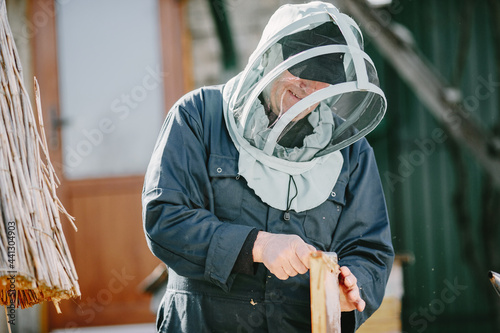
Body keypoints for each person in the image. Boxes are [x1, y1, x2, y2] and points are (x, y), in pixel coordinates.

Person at [142, 2, 394, 332]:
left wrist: (351, 287)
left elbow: (369, 248)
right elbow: (165, 218)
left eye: (324, 80)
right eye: (302, 71)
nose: (309, 88)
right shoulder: (197, 116)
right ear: (270, 60)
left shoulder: (351, 151)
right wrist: (258, 246)